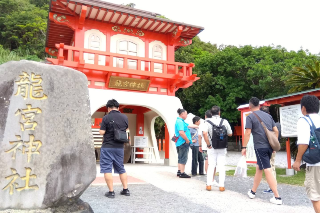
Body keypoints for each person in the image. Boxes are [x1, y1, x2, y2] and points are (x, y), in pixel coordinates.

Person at [242, 97, 282, 205]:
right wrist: (274, 145)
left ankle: (277, 197)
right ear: (259, 105)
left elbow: (247, 133)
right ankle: (253, 191)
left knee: (267, 169)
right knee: (259, 168)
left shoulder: (250, 117)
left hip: (260, 147)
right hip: (269, 147)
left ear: (250, 106)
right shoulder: (268, 116)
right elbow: (276, 131)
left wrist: (244, 147)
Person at [293, 95, 320, 213]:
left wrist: (297, 160)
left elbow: (303, 143)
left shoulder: (304, 120)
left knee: (315, 196)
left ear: (303, 108)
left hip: (316, 164)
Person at [99, 99, 129, 198]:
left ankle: (111, 192)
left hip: (107, 146)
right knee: (121, 168)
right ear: (118, 107)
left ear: (108, 108)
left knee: (107, 168)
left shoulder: (106, 118)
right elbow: (127, 130)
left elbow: (102, 132)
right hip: (119, 147)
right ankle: (125, 190)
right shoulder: (124, 117)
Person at [203, 106, 232, 192]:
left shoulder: (207, 122)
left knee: (211, 165)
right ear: (219, 113)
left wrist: (208, 144)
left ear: (211, 113)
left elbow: (204, 133)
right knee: (221, 166)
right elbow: (230, 133)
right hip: (222, 147)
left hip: (212, 147)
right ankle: (221, 186)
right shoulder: (224, 121)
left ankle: (209, 185)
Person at [260, 106, 281, 194]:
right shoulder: (274, 123)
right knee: (271, 166)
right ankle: (272, 186)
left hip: (268, 148)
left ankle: (273, 187)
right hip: (273, 148)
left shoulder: (264, 123)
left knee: (270, 167)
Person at [175, 108, 198, 178]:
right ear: (182, 114)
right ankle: (182, 172)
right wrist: (187, 140)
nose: (187, 115)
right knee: (183, 158)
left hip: (179, 142)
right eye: (186, 114)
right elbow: (181, 132)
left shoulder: (181, 121)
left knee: (180, 157)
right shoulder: (180, 122)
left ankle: (179, 171)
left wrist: (198, 126)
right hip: (183, 142)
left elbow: (189, 125)